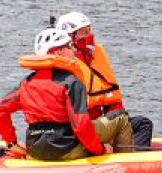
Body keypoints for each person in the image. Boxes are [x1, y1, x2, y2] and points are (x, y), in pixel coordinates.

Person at [0, 27, 133, 161]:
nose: (73, 50)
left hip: (35, 149)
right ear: (58, 53)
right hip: (66, 149)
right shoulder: (71, 83)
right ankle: (124, 168)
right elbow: (81, 127)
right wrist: (101, 150)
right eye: (69, 46)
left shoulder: (26, 83)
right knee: (121, 117)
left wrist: (11, 144)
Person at [55, 10, 155, 150]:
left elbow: (113, 103)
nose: (89, 36)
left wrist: (113, 126)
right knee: (130, 121)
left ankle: (128, 155)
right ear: (70, 37)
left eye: (89, 30)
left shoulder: (94, 57)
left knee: (142, 123)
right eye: (84, 32)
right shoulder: (66, 66)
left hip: (97, 125)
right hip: (81, 128)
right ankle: (131, 163)